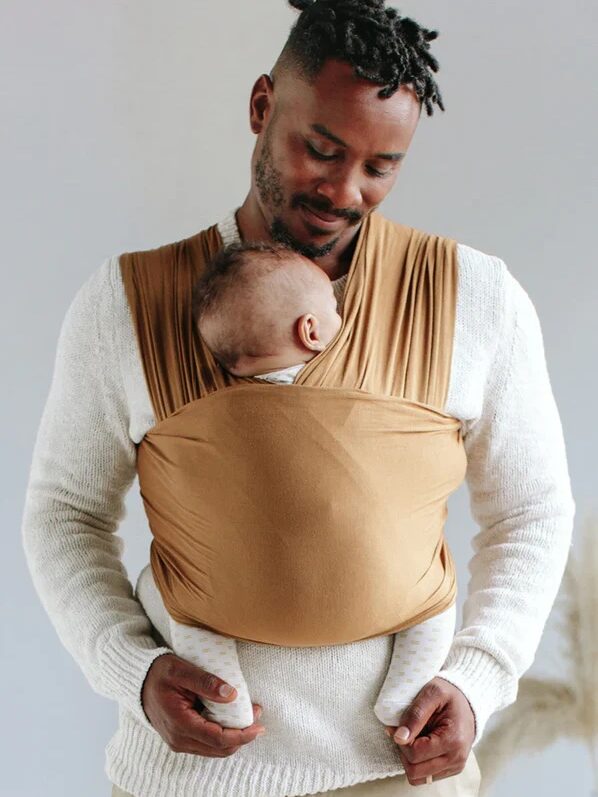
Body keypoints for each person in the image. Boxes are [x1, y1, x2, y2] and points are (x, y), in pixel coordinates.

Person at [20, 1, 575, 796]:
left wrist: (478, 678)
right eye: (321, 150)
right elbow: (64, 513)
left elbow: (531, 512)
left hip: (401, 768)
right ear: (261, 106)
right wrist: (133, 670)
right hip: (190, 778)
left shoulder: (474, 298)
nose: (345, 191)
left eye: (381, 167)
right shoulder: (129, 304)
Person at [134, 238, 459, 739]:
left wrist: (136, 670)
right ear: (310, 330)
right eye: (334, 310)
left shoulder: (198, 396)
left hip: (223, 604)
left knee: (169, 589)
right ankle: (405, 691)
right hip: (391, 603)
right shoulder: (369, 381)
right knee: (433, 597)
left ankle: (227, 699)